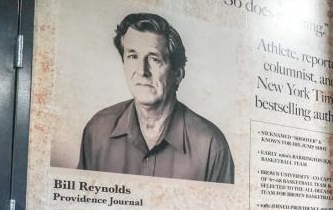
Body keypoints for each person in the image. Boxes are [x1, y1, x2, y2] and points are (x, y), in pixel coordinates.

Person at [78, 12, 234, 183]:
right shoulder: (97, 130)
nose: (141, 71)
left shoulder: (210, 145)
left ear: (178, 74)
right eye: (132, 56)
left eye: (154, 58)